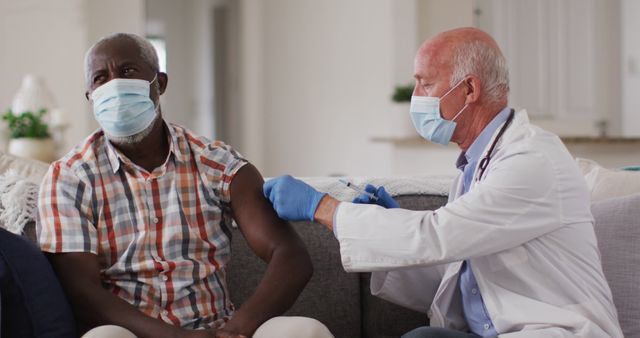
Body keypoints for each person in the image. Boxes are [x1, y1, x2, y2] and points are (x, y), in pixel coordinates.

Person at [264, 28, 623, 337]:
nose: (416, 97)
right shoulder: (475, 167)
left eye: (426, 82)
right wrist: (387, 227)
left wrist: (323, 208)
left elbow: (437, 236)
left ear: (469, 89)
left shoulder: (532, 161)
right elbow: (450, 277)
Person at [37, 33, 333, 338]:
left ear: (159, 83)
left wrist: (236, 329)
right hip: (132, 334)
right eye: (101, 78)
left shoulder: (217, 162)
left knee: (306, 331)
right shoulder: (69, 178)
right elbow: (82, 292)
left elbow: (290, 255)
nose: (114, 85)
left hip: (218, 329)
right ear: (90, 97)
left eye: (127, 72)